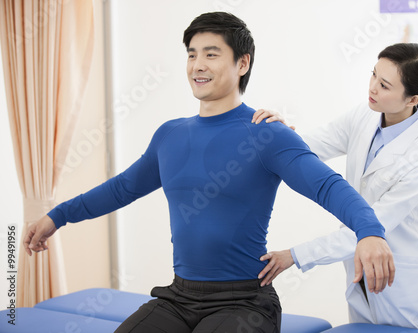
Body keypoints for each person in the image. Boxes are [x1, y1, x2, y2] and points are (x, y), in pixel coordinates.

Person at [23, 12, 395, 333]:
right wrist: (58, 216)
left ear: (242, 64)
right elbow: (122, 188)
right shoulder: (170, 134)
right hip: (178, 296)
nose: (197, 65)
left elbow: (327, 186)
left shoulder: (267, 134)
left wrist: (370, 232)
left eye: (211, 54)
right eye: (191, 54)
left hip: (245, 301)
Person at [252, 43, 418, 331]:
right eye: (373, 75)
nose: (372, 87)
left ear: (412, 99)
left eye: (384, 85)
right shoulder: (364, 115)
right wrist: (277, 134)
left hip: (402, 282)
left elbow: (370, 225)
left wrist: (294, 256)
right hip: (361, 272)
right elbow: (309, 147)